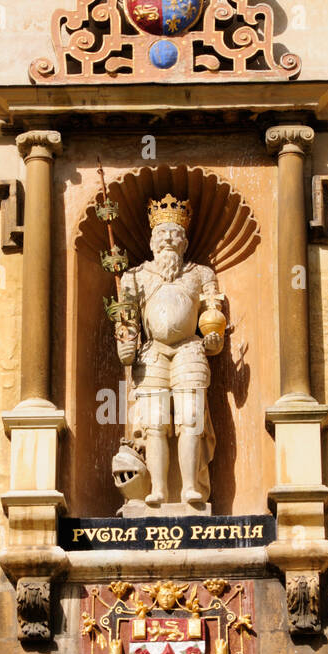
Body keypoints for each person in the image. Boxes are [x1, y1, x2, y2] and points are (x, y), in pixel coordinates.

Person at [115, 195, 225, 508]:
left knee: (191, 418)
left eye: (174, 233)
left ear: (185, 241)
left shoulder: (201, 273)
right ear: (151, 241)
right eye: (162, 233)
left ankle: (190, 487)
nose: (168, 238)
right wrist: (124, 341)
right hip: (152, 351)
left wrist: (213, 337)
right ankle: (159, 488)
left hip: (189, 348)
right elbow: (127, 317)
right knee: (154, 422)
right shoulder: (135, 276)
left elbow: (212, 311)